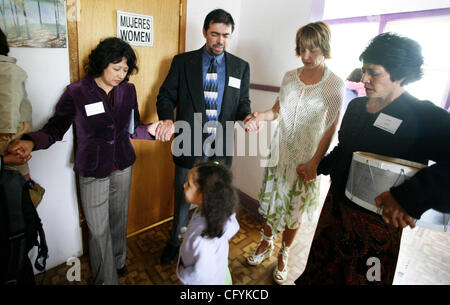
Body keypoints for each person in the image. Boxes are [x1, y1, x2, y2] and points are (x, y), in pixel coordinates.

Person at [295, 33, 450, 285]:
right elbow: (346, 150)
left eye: (373, 73)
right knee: (323, 270)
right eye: (364, 70)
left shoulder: (423, 116)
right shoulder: (357, 108)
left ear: (400, 75)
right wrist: (318, 166)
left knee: (367, 278)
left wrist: (409, 197)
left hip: (378, 225)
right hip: (336, 211)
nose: (364, 79)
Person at [8, 37, 159, 285]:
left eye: (125, 69)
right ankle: (105, 280)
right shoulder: (77, 92)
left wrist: (152, 130)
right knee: (98, 231)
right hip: (92, 169)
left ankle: (119, 262)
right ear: (101, 63)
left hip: (123, 164)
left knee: (119, 220)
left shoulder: (128, 90)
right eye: (116, 68)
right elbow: (55, 128)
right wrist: (31, 142)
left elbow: (133, 128)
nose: (122, 74)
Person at [243, 21, 344, 284]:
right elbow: (277, 110)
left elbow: (330, 128)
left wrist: (314, 163)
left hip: (306, 158)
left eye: (313, 50)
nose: (306, 56)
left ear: (324, 48)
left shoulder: (334, 84)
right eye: (302, 49)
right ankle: (266, 244)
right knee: (271, 203)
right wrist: (259, 117)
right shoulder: (289, 76)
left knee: (294, 210)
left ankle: (284, 253)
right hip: (280, 152)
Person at [155, 8, 251, 264]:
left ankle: (209, 246)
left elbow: (242, 103)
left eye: (226, 35)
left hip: (220, 146)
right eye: (215, 34)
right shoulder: (182, 62)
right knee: (183, 196)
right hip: (188, 141)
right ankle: (175, 240)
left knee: (215, 199)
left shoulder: (241, 67)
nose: (220, 40)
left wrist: (248, 117)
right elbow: (165, 96)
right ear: (205, 33)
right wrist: (167, 118)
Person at [0, 28, 45, 207]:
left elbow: (8, 104)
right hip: (10, 135)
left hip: (11, 135)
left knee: (17, 172)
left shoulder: (7, 70)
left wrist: (5, 129)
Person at [176, 161, 239, 285]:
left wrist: (183, 273)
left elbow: (202, 274)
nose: (184, 185)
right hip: (220, 271)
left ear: (204, 195)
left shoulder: (203, 240)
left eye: (189, 185)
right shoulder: (218, 212)